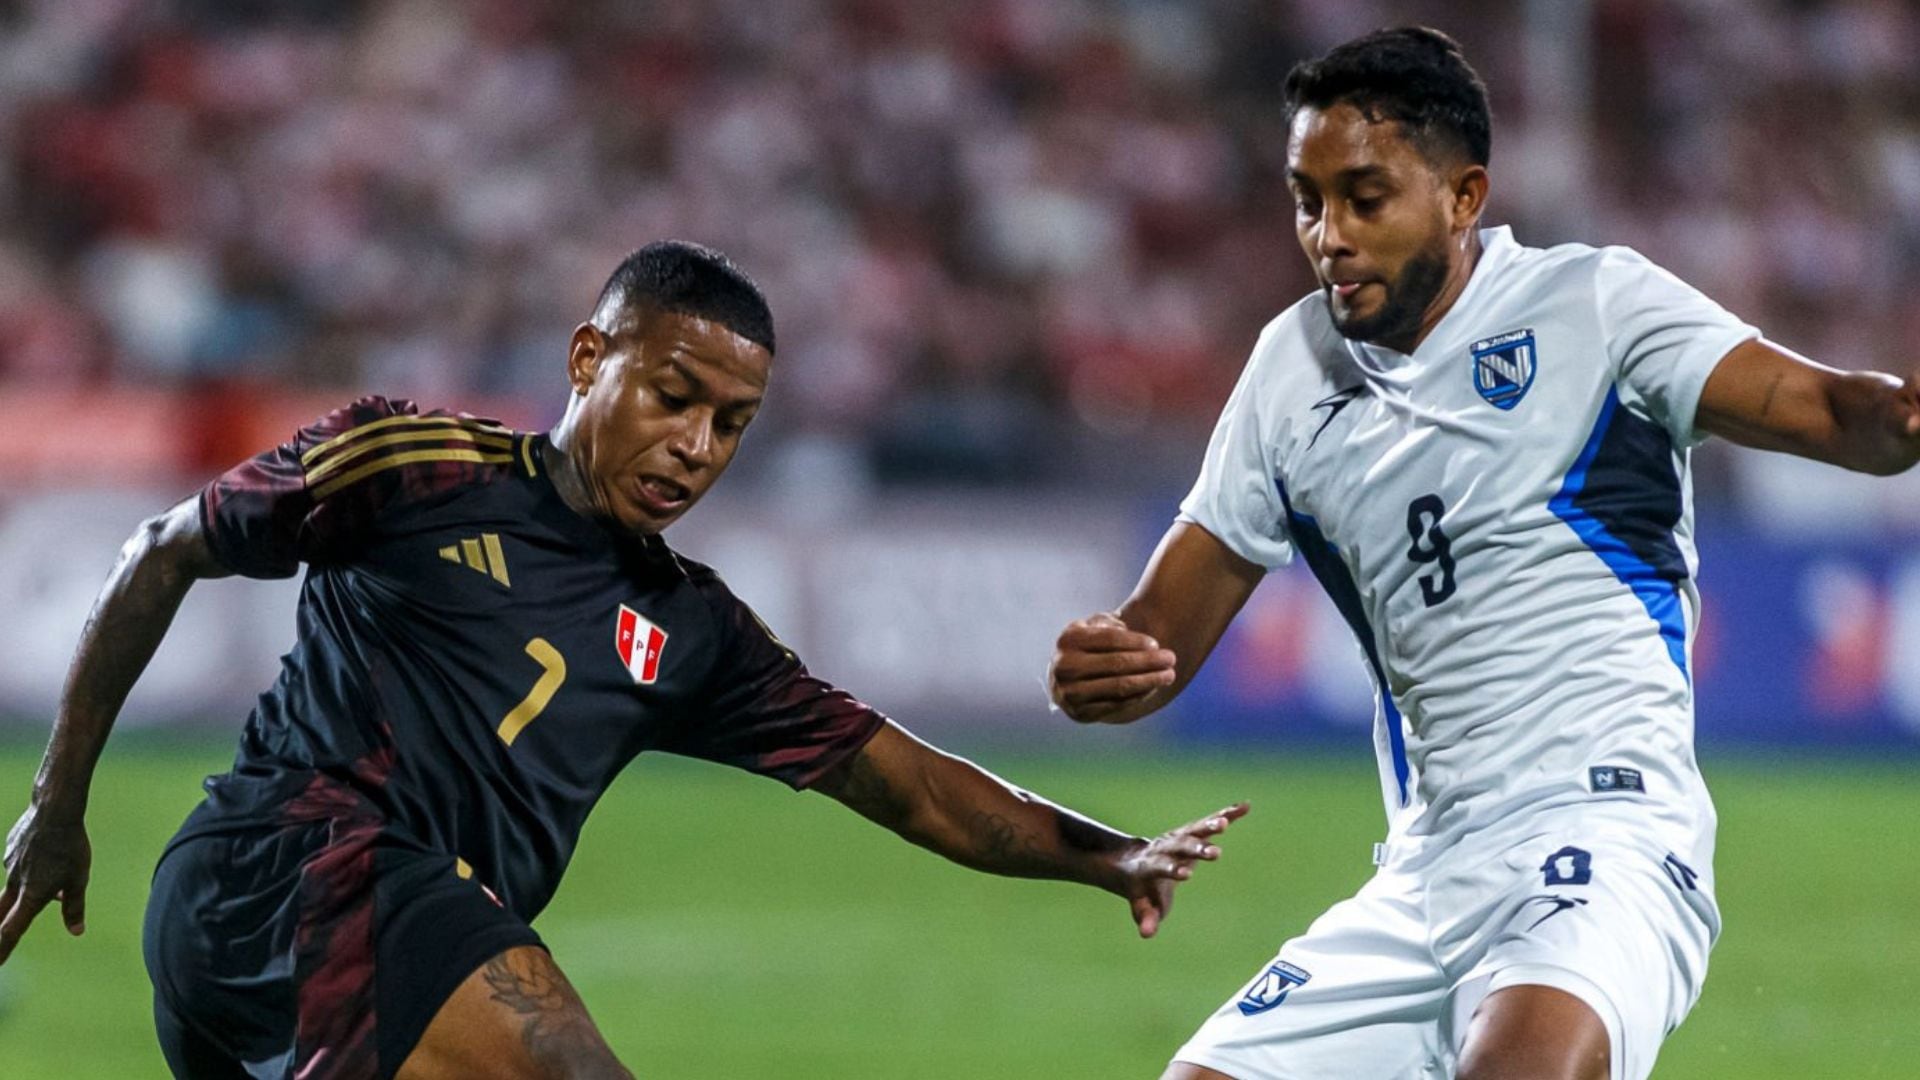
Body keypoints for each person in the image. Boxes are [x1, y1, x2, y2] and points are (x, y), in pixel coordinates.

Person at [0, 240, 1248, 1079]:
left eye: (731, 424)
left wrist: (1109, 857)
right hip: (287, 869)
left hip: (369, 956)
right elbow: (161, 554)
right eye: (672, 395)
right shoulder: (413, 464)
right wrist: (57, 807)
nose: (696, 445)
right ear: (590, 362)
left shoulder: (692, 630)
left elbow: (910, 784)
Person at [1047, 26, 1918, 1080]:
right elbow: (1160, 637)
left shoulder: (1591, 304)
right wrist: (1110, 665)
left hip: (1608, 834)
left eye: (1365, 198)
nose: (1328, 234)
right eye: (1306, 200)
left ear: (1463, 198)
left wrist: (1895, 415)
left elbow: (1826, 409)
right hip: (1425, 871)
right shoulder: (1291, 368)